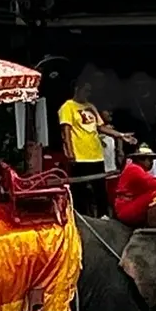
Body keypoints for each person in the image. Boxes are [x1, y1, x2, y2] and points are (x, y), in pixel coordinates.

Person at [58, 81, 135, 213]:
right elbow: (66, 131)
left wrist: (120, 135)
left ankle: (103, 215)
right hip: (80, 154)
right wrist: (70, 152)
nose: (88, 94)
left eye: (90, 92)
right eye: (86, 91)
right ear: (77, 89)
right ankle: (81, 216)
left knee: (100, 187)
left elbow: (101, 127)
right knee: (79, 189)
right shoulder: (67, 107)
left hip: (96, 153)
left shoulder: (90, 106)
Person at [112, 144, 156, 229]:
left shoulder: (136, 169)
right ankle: (153, 226)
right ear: (140, 160)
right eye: (149, 159)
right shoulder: (134, 169)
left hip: (128, 204)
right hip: (125, 208)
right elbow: (153, 183)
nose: (151, 162)